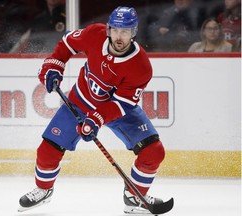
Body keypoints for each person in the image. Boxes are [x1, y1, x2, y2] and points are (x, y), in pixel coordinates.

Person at [18, 6, 166, 214]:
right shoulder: (94, 34)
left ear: (134, 33)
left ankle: (134, 197)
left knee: (153, 151)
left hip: (117, 109)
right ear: (108, 29)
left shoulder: (140, 66)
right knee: (47, 150)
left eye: (125, 31)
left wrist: (96, 119)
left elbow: (121, 103)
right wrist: (54, 65)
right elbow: (68, 43)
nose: (119, 36)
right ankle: (43, 190)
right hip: (80, 101)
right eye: (115, 30)